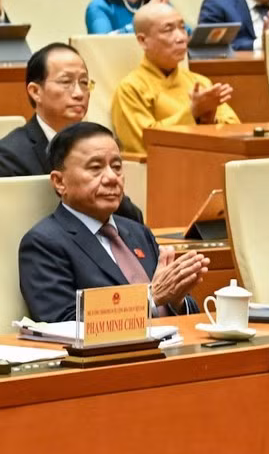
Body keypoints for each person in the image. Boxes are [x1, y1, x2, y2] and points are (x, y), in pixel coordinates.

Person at [17, 121, 209, 322]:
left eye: (117, 167)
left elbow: (182, 312)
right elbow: (64, 323)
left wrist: (176, 299)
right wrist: (151, 299)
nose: (111, 177)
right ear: (59, 182)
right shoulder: (44, 243)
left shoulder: (138, 233)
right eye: (95, 168)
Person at [0, 45, 145, 227]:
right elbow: (9, 225)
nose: (79, 93)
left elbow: (133, 220)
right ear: (35, 91)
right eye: (66, 82)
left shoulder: (98, 146)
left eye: (84, 82)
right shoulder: (9, 155)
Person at [110, 2, 238, 155]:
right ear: (143, 40)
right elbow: (144, 144)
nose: (181, 38)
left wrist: (207, 121)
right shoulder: (131, 88)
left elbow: (235, 131)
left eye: (183, 28)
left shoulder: (200, 82)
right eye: (168, 30)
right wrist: (192, 112)